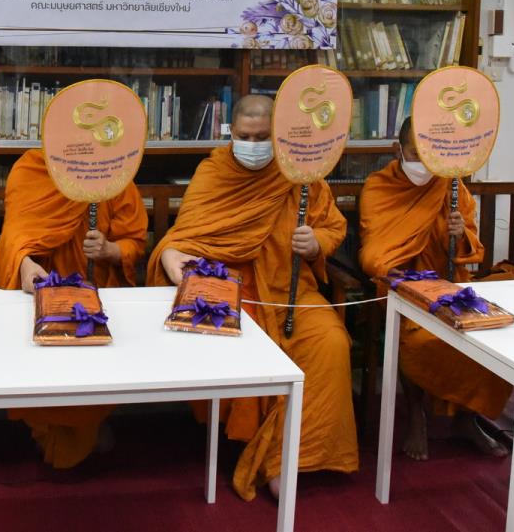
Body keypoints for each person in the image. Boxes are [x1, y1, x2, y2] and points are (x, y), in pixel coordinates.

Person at [147, 94, 358, 501]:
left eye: (263, 137)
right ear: (232, 133)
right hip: (229, 288)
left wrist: (315, 243)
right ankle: (261, 450)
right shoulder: (214, 172)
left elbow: (332, 227)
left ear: (277, 135)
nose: (254, 145)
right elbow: (184, 237)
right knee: (240, 344)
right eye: (245, 136)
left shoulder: (299, 171)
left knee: (330, 342)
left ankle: (289, 457)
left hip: (289, 290)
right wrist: (171, 256)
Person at [359, 117, 511, 460]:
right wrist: (399, 276)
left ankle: (466, 418)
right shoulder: (380, 186)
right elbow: (374, 251)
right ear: (397, 150)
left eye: (431, 154)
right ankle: (417, 414)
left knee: (492, 335)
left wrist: (457, 233)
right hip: (402, 286)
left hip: (450, 284)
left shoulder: (451, 185)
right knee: (420, 339)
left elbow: (470, 249)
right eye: (416, 153)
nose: (424, 163)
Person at [0, 147, 148, 468]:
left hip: (98, 297)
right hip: (37, 291)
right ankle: (49, 427)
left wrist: (110, 250)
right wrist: (23, 264)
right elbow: (13, 237)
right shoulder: (32, 168)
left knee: (93, 375)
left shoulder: (113, 172)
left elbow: (134, 242)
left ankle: (86, 425)